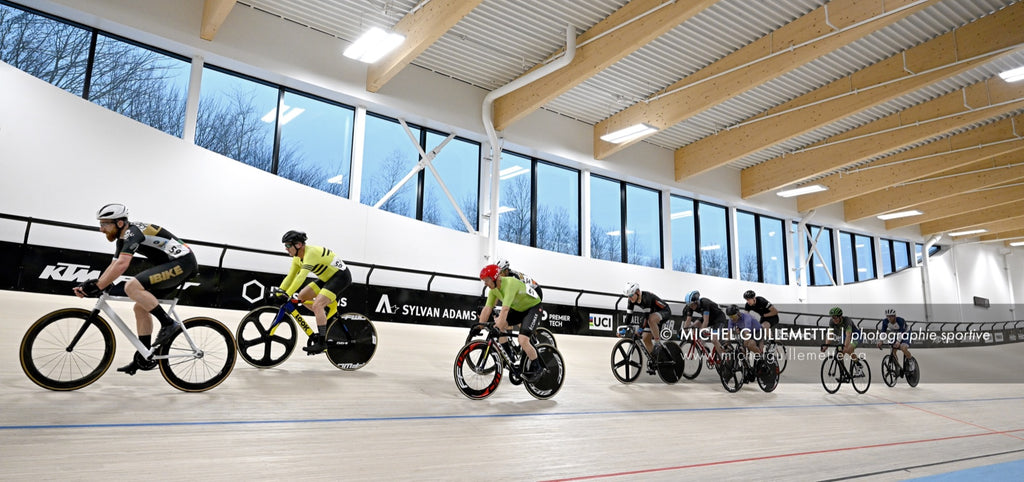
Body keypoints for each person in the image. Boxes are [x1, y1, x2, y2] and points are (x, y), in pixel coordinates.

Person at [73, 203, 198, 375]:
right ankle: (145, 356)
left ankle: (169, 324)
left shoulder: (133, 233)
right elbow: (114, 265)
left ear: (119, 223)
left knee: (131, 286)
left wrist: (98, 286)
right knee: (140, 307)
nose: (101, 229)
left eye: (105, 224)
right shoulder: (123, 237)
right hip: (173, 263)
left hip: (183, 263)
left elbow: (123, 265)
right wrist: (98, 284)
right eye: (100, 224)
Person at [272, 230, 352, 354]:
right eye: (285, 246)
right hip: (326, 278)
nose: (286, 249)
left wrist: (287, 295)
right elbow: (291, 276)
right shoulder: (297, 258)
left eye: (288, 245)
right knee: (302, 296)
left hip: (340, 277)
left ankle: (322, 343)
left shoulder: (310, 254)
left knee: (317, 305)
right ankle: (324, 315)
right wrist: (280, 291)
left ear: (298, 245)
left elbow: (301, 277)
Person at [478, 264, 544, 382]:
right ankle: (509, 356)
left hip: (533, 307)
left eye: (487, 280)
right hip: (519, 309)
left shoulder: (509, 284)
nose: (485, 284)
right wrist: (479, 327)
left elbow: (505, 310)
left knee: (522, 340)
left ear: (495, 278)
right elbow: (487, 309)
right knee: (499, 325)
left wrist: (498, 326)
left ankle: (538, 368)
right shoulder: (493, 291)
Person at [622, 282, 671, 358]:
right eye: (628, 296)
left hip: (664, 311)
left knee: (651, 319)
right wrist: (624, 329)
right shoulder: (631, 300)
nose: (629, 298)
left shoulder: (646, 298)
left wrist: (640, 330)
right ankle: (655, 360)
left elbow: (646, 317)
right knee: (645, 338)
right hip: (652, 313)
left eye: (631, 295)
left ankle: (657, 343)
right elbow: (628, 316)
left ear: (637, 292)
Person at [681, 290, 729, 354]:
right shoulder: (690, 306)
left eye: (692, 305)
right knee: (693, 326)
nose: (691, 307)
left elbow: (706, 321)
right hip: (709, 317)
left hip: (719, 318)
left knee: (713, 339)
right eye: (689, 305)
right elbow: (688, 320)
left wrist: (701, 333)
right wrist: (684, 331)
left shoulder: (705, 303)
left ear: (697, 302)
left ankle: (722, 358)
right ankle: (704, 346)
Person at [821, 307, 865, 376]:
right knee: (839, 353)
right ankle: (843, 374)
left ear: (840, 316)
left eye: (835, 317)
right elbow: (830, 335)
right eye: (832, 317)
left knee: (848, 349)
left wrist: (845, 347)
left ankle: (859, 366)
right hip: (845, 335)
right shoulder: (832, 321)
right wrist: (826, 346)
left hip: (856, 335)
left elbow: (848, 336)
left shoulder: (847, 321)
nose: (834, 319)